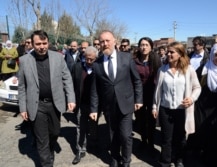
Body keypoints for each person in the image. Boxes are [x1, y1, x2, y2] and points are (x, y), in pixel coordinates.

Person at [18, 30, 76, 167]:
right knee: (41, 139)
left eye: (44, 43)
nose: (42, 46)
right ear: (32, 44)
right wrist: (22, 107)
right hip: (36, 105)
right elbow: (21, 86)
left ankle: (49, 153)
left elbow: (67, 78)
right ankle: (46, 163)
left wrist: (71, 98)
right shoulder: (24, 60)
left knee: (55, 132)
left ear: (48, 42)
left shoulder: (58, 57)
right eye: (38, 44)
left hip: (55, 104)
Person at [89, 30, 143, 167]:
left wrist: (139, 99)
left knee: (125, 135)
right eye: (102, 41)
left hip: (126, 103)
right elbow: (95, 89)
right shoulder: (97, 64)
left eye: (107, 40)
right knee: (112, 135)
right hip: (109, 106)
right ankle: (114, 158)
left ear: (114, 42)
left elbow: (137, 81)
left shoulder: (126, 57)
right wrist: (94, 109)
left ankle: (126, 161)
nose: (105, 44)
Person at [152, 42, 201, 167]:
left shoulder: (189, 70)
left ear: (180, 54)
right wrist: (154, 107)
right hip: (165, 109)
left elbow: (197, 87)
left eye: (172, 52)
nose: (168, 54)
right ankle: (165, 162)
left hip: (182, 110)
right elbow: (158, 91)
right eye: (168, 52)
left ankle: (179, 159)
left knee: (180, 138)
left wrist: (191, 98)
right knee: (166, 138)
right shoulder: (162, 70)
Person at [188, 44, 217, 166]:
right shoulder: (203, 69)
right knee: (202, 130)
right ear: (212, 55)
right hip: (202, 107)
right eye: (216, 55)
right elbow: (193, 85)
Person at [71, 46, 98, 164]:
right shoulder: (77, 67)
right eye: (87, 59)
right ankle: (80, 149)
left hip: (94, 105)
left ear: (96, 58)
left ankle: (92, 144)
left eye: (92, 59)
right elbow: (71, 85)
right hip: (81, 103)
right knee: (79, 127)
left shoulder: (99, 68)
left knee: (93, 126)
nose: (88, 62)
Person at [133, 37, 161, 150]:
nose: (144, 47)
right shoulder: (134, 60)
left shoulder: (156, 60)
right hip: (138, 95)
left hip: (152, 94)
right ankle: (143, 140)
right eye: (142, 45)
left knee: (151, 120)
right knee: (140, 119)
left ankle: (151, 142)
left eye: (146, 45)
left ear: (151, 47)